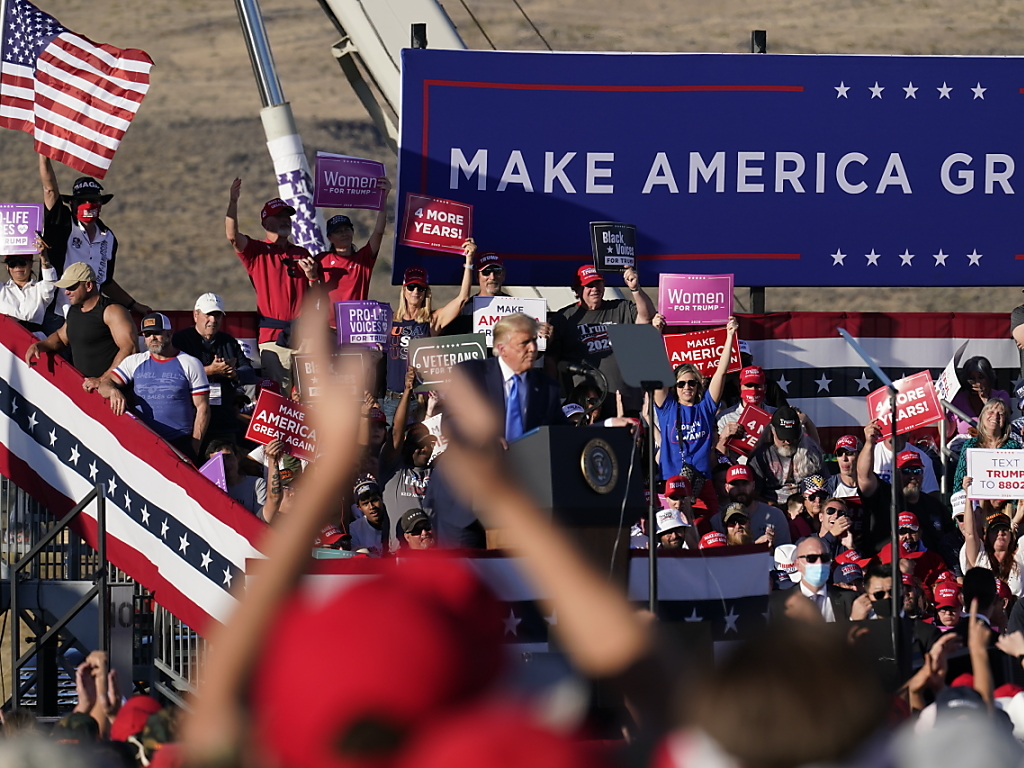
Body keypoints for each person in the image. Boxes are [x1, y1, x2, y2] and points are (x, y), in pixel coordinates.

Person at [225, 179, 319, 390]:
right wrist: (233, 202)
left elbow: (316, 298)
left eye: (287, 217)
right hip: (273, 339)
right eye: (279, 217)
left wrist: (312, 277)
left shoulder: (302, 254)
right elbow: (232, 237)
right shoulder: (256, 252)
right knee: (280, 398)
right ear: (266, 222)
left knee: (312, 398)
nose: (286, 220)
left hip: (305, 337)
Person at [38, 156, 151, 315]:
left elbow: (105, 282)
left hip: (89, 316)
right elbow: (49, 190)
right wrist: (44, 158)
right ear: (72, 203)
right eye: (82, 200)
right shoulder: (62, 224)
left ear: (101, 204)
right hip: (55, 312)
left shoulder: (109, 237)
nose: (88, 205)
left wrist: (133, 305)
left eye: (93, 200)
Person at [97, 313, 210, 463]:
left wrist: (194, 446)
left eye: (157, 333)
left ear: (169, 333)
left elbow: (203, 408)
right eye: (147, 334)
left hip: (179, 443)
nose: (152, 338)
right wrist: (113, 391)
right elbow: (104, 384)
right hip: (143, 441)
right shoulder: (134, 362)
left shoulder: (190, 363)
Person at [551, 264, 656, 417]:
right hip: (587, 407)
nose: (595, 289)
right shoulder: (564, 318)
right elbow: (551, 360)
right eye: (589, 285)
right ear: (577, 289)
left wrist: (635, 289)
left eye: (598, 283)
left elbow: (647, 317)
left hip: (626, 401)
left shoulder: (620, 308)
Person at [383, 249, 474, 422]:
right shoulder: (389, 320)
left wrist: (468, 261)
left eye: (421, 288)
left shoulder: (431, 320)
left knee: (418, 448)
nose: (415, 291)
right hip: (391, 399)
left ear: (426, 292)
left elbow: (462, 299)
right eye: (411, 286)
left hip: (419, 401)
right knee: (388, 447)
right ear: (404, 290)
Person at [654, 317, 739, 494]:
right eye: (681, 384)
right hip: (671, 480)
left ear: (698, 386)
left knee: (709, 521)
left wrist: (730, 335)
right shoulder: (667, 407)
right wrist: (656, 334)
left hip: (701, 481)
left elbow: (721, 373)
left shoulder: (705, 407)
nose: (687, 387)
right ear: (674, 386)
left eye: (692, 383)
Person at [24, 262, 138, 387]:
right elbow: (61, 338)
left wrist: (103, 380)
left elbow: (130, 348)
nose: (66, 292)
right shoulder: (74, 309)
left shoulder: (112, 310)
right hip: (83, 389)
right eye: (65, 288)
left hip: (111, 392)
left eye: (71, 287)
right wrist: (39, 346)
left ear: (88, 285)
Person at [457, 313, 566, 440]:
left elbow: (559, 429)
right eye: (524, 343)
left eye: (534, 340)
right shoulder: (471, 374)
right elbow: (452, 422)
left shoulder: (547, 386)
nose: (532, 348)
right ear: (502, 349)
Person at [172, 293, 257, 446]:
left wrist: (235, 373)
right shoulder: (180, 340)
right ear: (196, 315)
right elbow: (172, 372)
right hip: (189, 421)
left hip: (224, 421)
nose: (213, 320)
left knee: (225, 463)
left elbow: (249, 372)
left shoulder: (229, 342)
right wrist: (208, 371)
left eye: (217, 315)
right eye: (208, 315)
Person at [858, 424, 953, 558]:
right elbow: (864, 476)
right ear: (895, 474)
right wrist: (869, 443)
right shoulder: (883, 496)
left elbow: (949, 540)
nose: (912, 476)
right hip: (887, 568)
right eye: (906, 471)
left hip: (925, 569)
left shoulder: (935, 506)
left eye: (917, 471)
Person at [317, 180, 391, 305]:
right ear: (330, 237)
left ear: (352, 232)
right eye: (338, 231)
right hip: (328, 323)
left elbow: (378, 231)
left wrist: (383, 198)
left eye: (346, 229)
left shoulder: (363, 258)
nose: (344, 233)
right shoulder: (321, 259)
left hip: (356, 323)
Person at [748, 405, 825, 503]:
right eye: (783, 436)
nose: (788, 441)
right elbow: (753, 494)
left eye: (792, 436)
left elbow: (825, 485)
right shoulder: (760, 456)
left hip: (807, 507)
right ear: (773, 430)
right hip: (772, 509)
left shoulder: (812, 451)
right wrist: (773, 507)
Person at [961, 482, 1024, 596]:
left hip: (1014, 612)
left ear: (1011, 535)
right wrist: (968, 496)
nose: (1000, 533)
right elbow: (970, 533)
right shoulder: (980, 555)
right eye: (995, 530)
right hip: (984, 611)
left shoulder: (1020, 557)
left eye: (1004, 530)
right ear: (987, 535)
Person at [770, 536, 850, 623]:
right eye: (811, 558)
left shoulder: (849, 598)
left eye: (824, 558)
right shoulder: (778, 605)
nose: (819, 563)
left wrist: (854, 620)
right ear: (797, 564)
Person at [709, 464, 790, 550]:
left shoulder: (775, 515)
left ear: (753, 485)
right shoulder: (717, 521)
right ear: (726, 487)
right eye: (735, 484)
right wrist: (757, 547)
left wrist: (771, 548)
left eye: (745, 483)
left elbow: (786, 554)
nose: (740, 489)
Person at [953, 398, 1020, 491]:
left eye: (1001, 414)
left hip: (1005, 502)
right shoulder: (970, 445)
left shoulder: (1013, 446)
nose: (995, 416)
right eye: (991, 412)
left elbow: (1018, 483)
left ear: (1005, 421)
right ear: (982, 416)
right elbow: (958, 482)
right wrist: (965, 487)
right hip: (975, 502)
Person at [0, 239, 57, 334]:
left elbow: (50, 282)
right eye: (12, 263)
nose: (17, 267)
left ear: (31, 264)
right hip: (7, 341)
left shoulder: (40, 289)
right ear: (7, 267)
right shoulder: (2, 290)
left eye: (22, 262)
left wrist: (44, 257)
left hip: (34, 340)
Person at [948, 355, 1010, 438]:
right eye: (972, 378)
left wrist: (985, 398)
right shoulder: (958, 399)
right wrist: (940, 409)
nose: (976, 382)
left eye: (981, 377)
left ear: (989, 378)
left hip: (992, 444)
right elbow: (947, 433)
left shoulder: (1001, 396)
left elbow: (1001, 425)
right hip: (964, 446)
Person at [204, 440, 266, 519]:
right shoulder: (207, 488)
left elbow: (261, 519)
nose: (224, 463)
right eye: (217, 460)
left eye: (228, 457)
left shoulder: (256, 484)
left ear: (237, 458)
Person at [350, 477, 387, 556]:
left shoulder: (395, 520)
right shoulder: (355, 528)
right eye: (365, 503)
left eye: (374, 500)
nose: (371, 506)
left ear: (382, 499)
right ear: (359, 507)